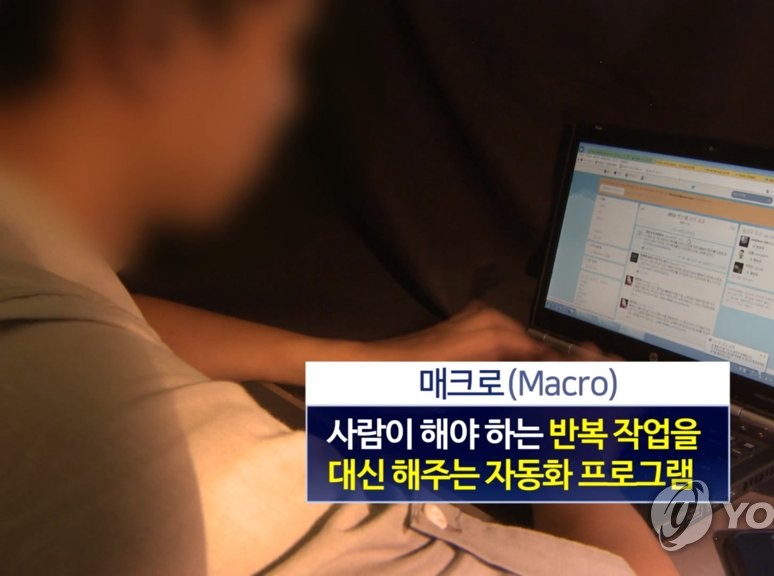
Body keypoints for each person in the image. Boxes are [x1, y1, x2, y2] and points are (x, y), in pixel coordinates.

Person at [0, 1, 677, 575]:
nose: (282, 99)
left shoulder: (27, 257)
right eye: (280, 52)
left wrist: (362, 362)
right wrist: (564, 445)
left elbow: (108, 315)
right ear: (153, 38)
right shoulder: (219, 496)